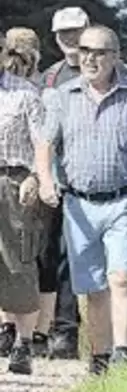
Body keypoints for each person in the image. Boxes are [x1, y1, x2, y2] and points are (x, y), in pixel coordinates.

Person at [36, 25, 127, 374]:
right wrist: (46, 181)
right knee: (93, 288)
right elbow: (46, 145)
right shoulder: (63, 97)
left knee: (120, 277)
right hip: (79, 204)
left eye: (99, 52)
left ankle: (123, 350)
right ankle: (101, 356)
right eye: (85, 51)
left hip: (124, 199)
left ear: (116, 57)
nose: (90, 58)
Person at [0, 28, 56, 359]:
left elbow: (42, 143)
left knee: (18, 258)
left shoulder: (25, 95)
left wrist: (36, 177)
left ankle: (23, 340)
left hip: (12, 180)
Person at [41, 6, 90, 360]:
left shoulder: (109, 70)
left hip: (98, 177)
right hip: (59, 179)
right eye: (63, 34)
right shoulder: (49, 77)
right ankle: (63, 330)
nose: (70, 40)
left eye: (75, 31)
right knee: (56, 256)